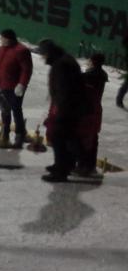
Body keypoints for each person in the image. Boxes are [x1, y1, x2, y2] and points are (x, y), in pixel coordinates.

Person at [35, 39, 84, 183]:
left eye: (42, 54)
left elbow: (64, 91)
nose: (41, 57)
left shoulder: (61, 65)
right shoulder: (64, 60)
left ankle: (61, 171)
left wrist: (59, 113)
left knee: (59, 139)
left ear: (48, 53)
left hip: (67, 109)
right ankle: (63, 165)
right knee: (66, 138)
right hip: (71, 108)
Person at [0, 28, 33, 149]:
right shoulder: (1, 49)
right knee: (5, 110)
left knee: (16, 110)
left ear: (9, 39)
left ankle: (20, 135)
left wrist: (22, 84)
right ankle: (4, 133)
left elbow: (26, 69)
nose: (1, 40)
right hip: (3, 85)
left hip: (15, 88)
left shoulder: (21, 51)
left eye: (2, 38)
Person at [76, 53, 107, 177]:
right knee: (92, 139)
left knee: (84, 138)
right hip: (95, 110)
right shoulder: (102, 75)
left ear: (93, 61)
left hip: (87, 111)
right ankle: (89, 165)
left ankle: (84, 166)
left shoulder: (89, 76)